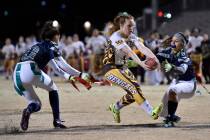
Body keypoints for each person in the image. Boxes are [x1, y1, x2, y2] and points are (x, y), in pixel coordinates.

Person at [13, 21, 90, 131]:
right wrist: (80, 74)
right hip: (31, 71)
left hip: (17, 75)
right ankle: (57, 120)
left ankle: (28, 110)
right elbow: (60, 67)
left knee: (36, 104)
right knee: (53, 88)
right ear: (56, 36)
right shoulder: (51, 46)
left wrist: (70, 76)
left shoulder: (36, 45)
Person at [103, 12, 163, 123]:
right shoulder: (116, 37)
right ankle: (152, 112)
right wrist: (141, 64)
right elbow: (129, 52)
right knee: (134, 88)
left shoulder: (132, 37)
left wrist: (156, 59)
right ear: (121, 25)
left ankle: (116, 107)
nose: (132, 28)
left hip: (123, 67)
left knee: (134, 93)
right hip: (111, 69)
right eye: (129, 26)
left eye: (133, 26)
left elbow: (142, 48)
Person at [156, 32, 196, 127]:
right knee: (164, 104)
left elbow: (182, 70)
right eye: (172, 41)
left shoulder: (184, 56)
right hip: (176, 81)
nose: (173, 43)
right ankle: (171, 116)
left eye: (176, 41)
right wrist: (137, 62)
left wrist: (172, 67)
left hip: (188, 84)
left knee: (172, 90)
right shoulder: (168, 51)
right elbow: (155, 57)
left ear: (182, 44)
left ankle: (170, 118)